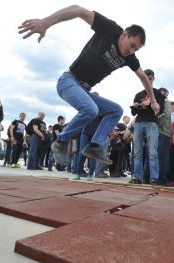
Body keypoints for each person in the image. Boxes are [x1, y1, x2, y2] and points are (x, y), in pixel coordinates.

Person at [19, 5, 159, 165]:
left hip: (85, 90)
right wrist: (46, 22)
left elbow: (143, 77)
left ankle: (95, 145)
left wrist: (153, 100)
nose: (131, 51)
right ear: (125, 34)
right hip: (68, 81)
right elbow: (78, 10)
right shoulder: (110, 29)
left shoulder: (130, 58)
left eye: (136, 49)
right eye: (132, 45)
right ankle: (60, 142)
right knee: (91, 109)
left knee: (116, 110)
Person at [129, 69, 165, 185]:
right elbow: (133, 113)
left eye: (150, 78)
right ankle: (137, 177)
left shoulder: (158, 93)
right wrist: (137, 106)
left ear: (153, 78)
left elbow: (160, 110)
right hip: (139, 123)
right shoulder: (138, 94)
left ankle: (154, 178)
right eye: (145, 78)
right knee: (137, 152)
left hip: (152, 123)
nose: (148, 80)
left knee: (152, 152)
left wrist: (149, 104)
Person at [157, 88, 171, 186]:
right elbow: (166, 115)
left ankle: (161, 179)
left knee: (161, 157)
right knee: (161, 157)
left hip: (162, 131)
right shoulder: (162, 101)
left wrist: (154, 122)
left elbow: (166, 115)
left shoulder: (165, 101)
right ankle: (161, 179)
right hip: (162, 132)